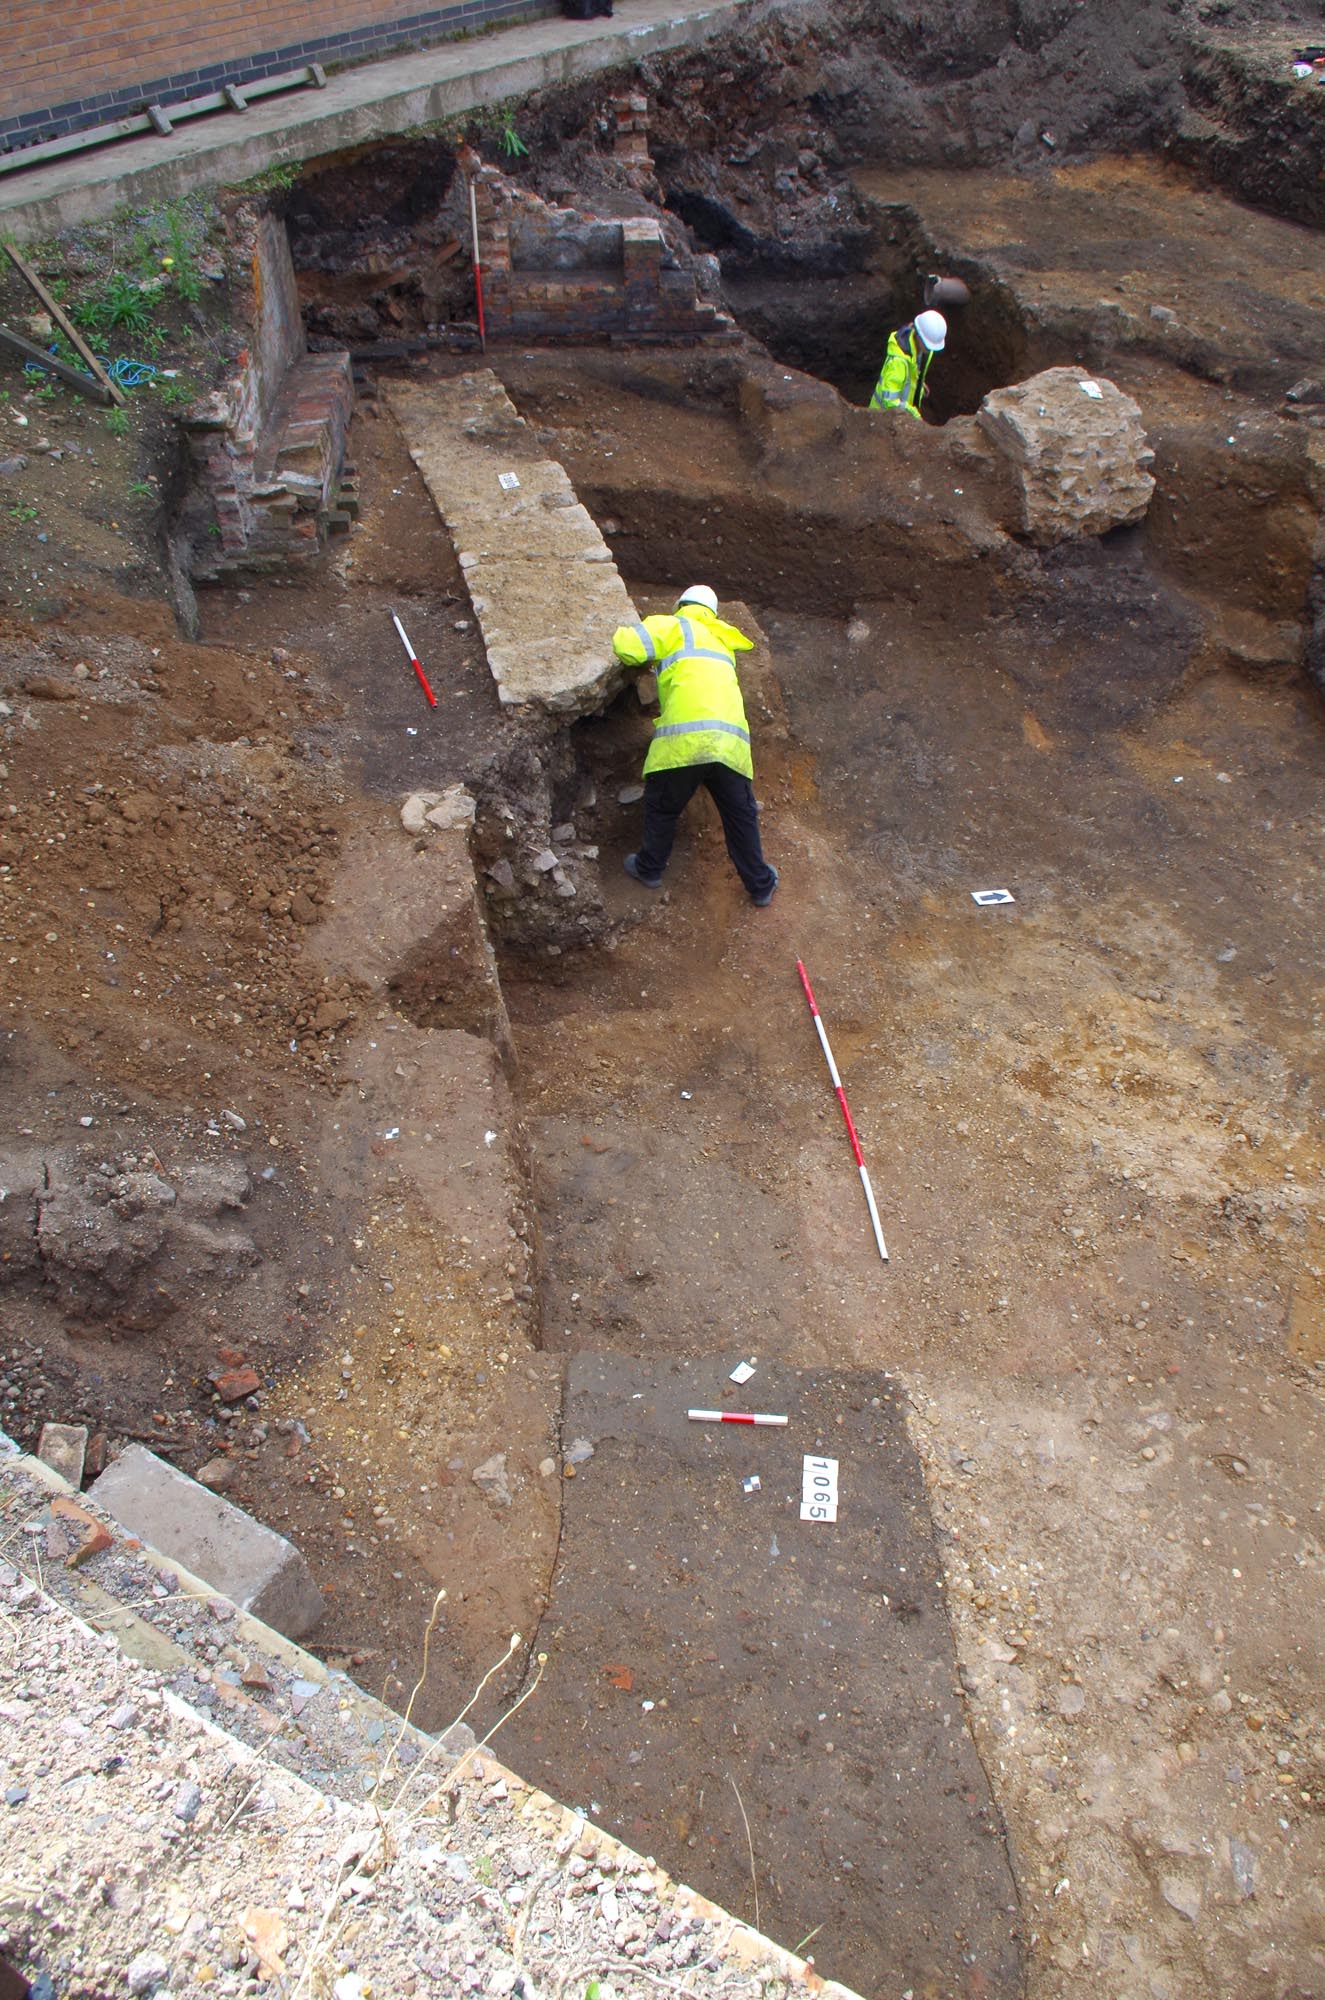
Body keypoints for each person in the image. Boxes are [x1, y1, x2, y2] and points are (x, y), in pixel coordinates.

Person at [611, 585, 779, 906]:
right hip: (730, 746)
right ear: (712, 613)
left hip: (683, 742)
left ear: (681, 606)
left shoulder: (672, 625)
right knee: (740, 817)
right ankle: (761, 885)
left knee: (662, 808)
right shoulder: (722, 639)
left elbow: (626, 646)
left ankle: (649, 868)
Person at [869, 308, 947, 419]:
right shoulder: (898, 362)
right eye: (928, 346)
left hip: (901, 418)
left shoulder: (922, 350)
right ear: (919, 335)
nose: (930, 350)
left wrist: (919, 385)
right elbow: (889, 401)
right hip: (881, 418)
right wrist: (913, 414)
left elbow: (912, 372)